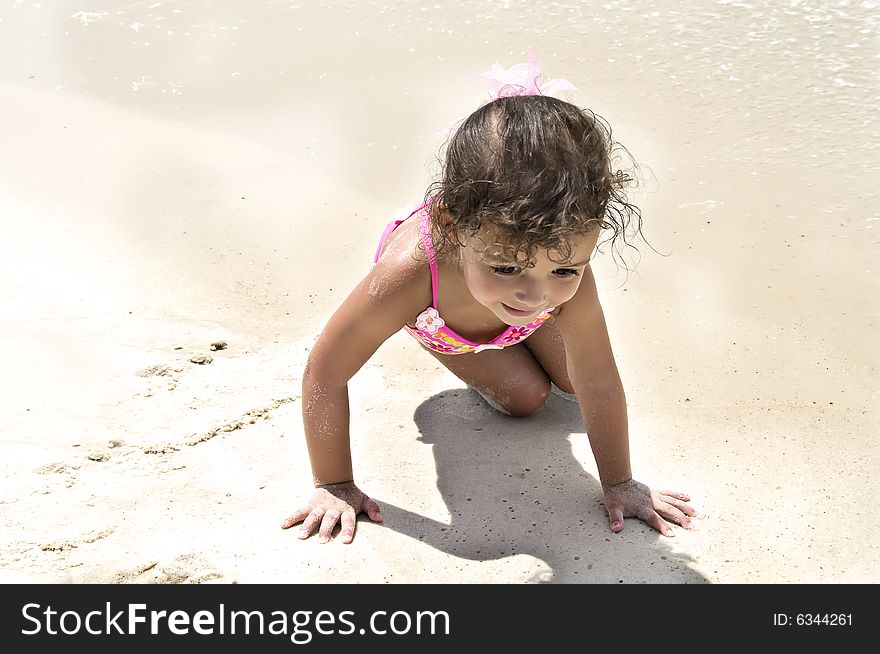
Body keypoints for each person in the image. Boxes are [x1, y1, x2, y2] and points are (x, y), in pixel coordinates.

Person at [282, 53, 697, 544]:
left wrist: (621, 483)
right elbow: (326, 370)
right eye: (506, 266)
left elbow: (599, 377)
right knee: (528, 400)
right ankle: (476, 337)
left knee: (574, 378)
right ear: (451, 226)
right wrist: (333, 484)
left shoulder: (556, 266)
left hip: (493, 298)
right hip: (447, 319)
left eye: (565, 268)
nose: (537, 292)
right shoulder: (410, 276)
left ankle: (508, 310)